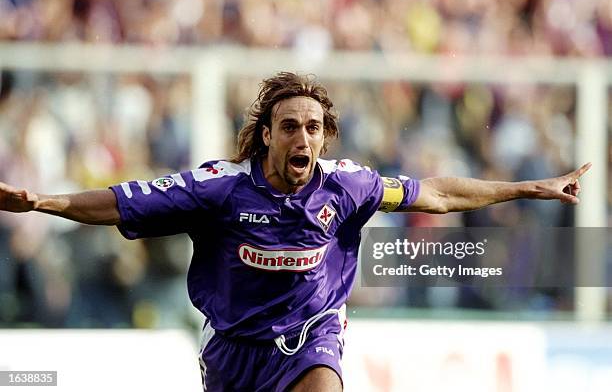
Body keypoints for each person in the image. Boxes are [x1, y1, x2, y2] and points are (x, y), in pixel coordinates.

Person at [0, 72, 591, 391]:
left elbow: (433, 193)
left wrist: (526, 188)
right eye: (289, 127)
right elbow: (122, 204)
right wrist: (42, 202)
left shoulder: (350, 186)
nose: (302, 138)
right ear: (267, 136)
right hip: (234, 350)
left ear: (324, 136)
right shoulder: (220, 189)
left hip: (309, 339)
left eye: (312, 127)